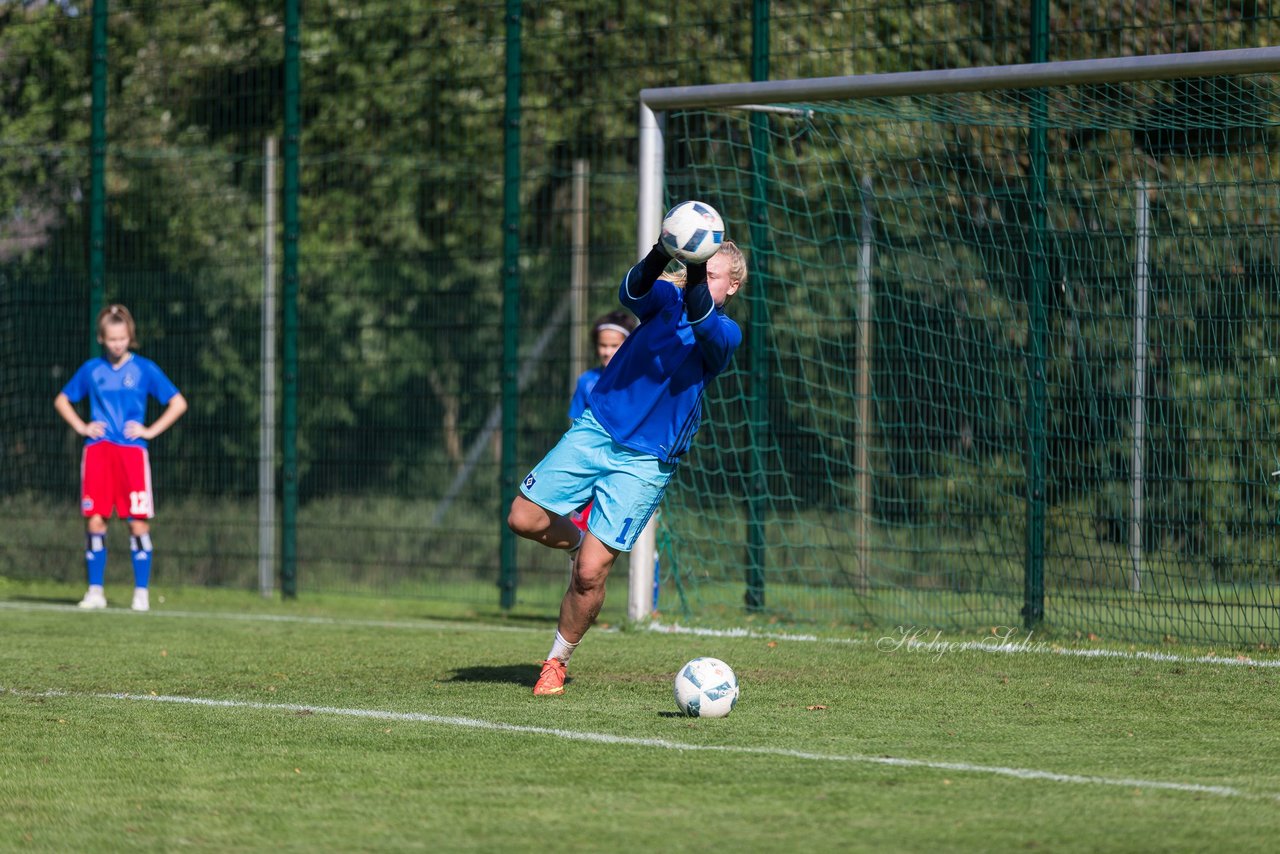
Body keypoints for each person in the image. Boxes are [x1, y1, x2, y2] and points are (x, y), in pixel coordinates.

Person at [508, 237, 747, 696]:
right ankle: (580, 539)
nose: (701, 276)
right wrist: (663, 249)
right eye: (700, 268)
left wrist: (692, 268)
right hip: (597, 428)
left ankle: (556, 662)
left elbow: (701, 316)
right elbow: (632, 292)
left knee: (590, 574)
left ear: (732, 286)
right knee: (523, 517)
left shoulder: (724, 331)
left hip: (646, 459)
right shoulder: (666, 298)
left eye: (712, 273)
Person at [54, 304, 188, 612]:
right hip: (98, 451)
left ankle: (141, 593)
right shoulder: (91, 370)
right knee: (95, 519)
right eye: (112, 338)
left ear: (131, 337)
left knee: (137, 522)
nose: (118, 344)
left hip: (132, 453)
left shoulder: (144, 369)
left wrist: (150, 430)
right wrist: (82, 426)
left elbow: (178, 402)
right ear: (101, 338)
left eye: (123, 338)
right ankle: (95, 591)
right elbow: (62, 399)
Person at [567, 309, 638, 534]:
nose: (607, 352)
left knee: (638, 541)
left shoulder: (640, 383)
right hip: (590, 474)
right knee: (581, 539)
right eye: (603, 345)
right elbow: (576, 428)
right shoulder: (586, 382)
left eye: (614, 346)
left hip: (627, 472)